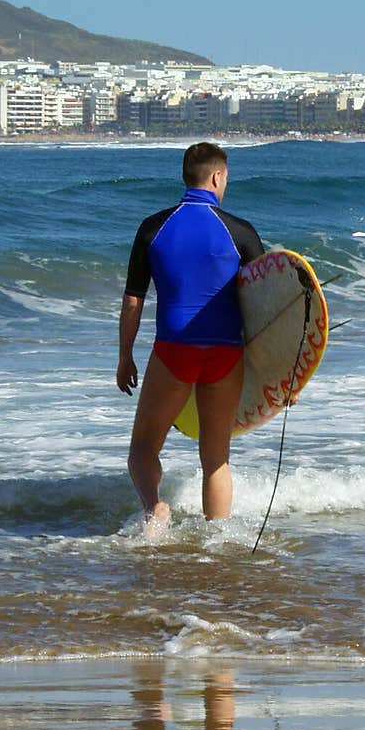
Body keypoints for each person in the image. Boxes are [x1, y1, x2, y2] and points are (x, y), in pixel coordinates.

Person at [117, 142, 264, 531]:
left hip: (174, 352)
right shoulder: (241, 232)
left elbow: (134, 299)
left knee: (143, 448)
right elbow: (265, 305)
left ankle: (155, 509)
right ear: (217, 176)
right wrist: (284, 375)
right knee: (216, 457)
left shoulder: (153, 228)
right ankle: (217, 539)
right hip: (226, 354)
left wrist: (125, 356)